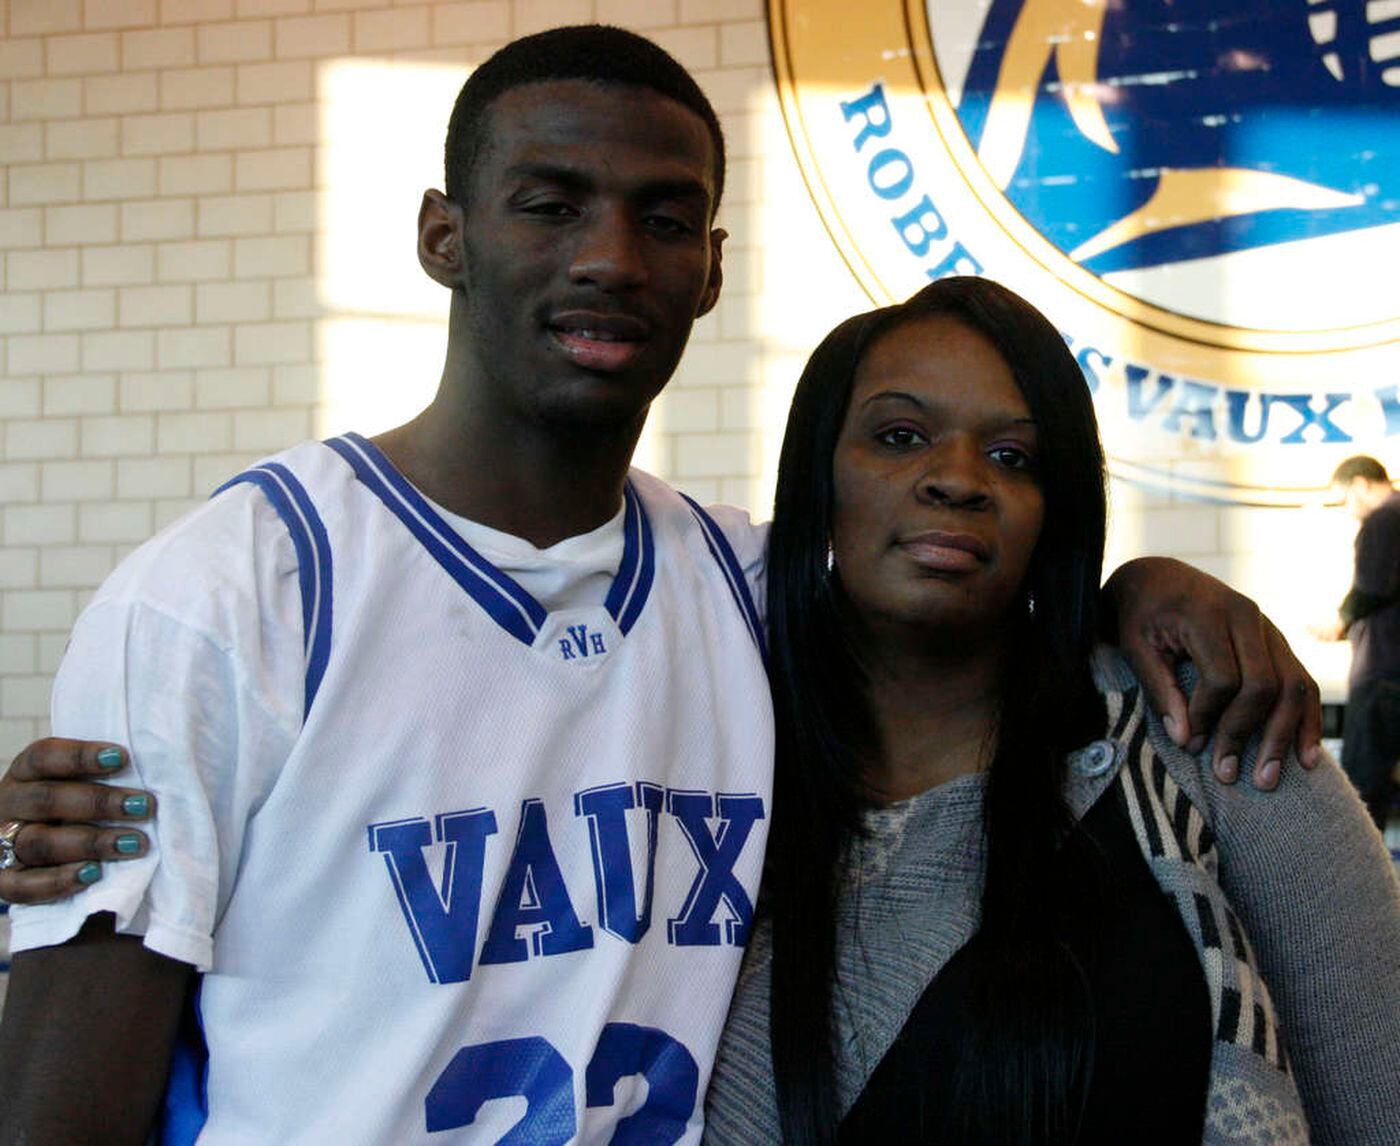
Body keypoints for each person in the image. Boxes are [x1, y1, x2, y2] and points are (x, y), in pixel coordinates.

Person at [0, 25, 1322, 1146]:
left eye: (665, 219)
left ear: (712, 269)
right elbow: (64, 1104)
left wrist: (1145, 586)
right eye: (550, 203)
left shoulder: (743, 589)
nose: (613, 259)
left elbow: (958, 597)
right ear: (443, 236)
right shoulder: (230, 592)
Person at [701, 278, 1400, 1145]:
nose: (957, 479)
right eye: (900, 436)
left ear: (1054, 511)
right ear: (817, 477)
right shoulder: (709, 767)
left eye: (1013, 457)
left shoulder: (1203, 732)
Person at [1311, 455, 1400, 830]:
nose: (1346, 510)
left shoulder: (1384, 519)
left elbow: (1371, 587)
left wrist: (1339, 622)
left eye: (1344, 499)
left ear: (1362, 484)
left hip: (1382, 671)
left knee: (1361, 787)